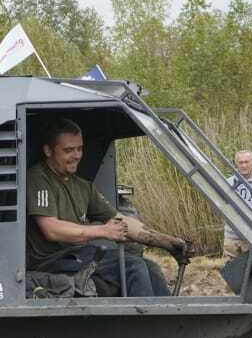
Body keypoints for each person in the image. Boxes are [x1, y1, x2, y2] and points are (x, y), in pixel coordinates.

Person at [26, 119, 189, 297]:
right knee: (133, 266)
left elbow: (121, 221)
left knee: (151, 268)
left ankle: (164, 320)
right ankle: (141, 323)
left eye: (79, 149)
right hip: (52, 261)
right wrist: (103, 231)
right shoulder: (38, 178)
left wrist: (166, 242)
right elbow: (51, 229)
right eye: (68, 150)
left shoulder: (83, 186)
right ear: (48, 150)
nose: (76, 156)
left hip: (78, 255)